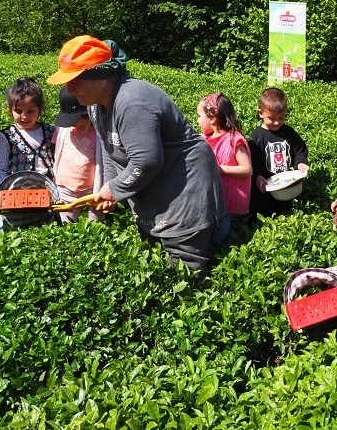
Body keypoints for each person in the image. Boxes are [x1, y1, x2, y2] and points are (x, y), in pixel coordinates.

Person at [46, 35, 225, 281]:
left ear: (101, 78)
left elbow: (146, 161)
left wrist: (115, 188)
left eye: (75, 81)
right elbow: (110, 149)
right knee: (156, 265)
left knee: (184, 274)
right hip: (155, 191)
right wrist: (110, 188)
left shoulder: (132, 102)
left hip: (184, 191)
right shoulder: (95, 104)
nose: (70, 90)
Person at [196, 92, 252, 242]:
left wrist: (219, 168)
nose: (197, 121)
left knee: (220, 237)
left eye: (199, 116)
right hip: (208, 198)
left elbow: (247, 169)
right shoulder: (204, 139)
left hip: (225, 199)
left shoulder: (234, 139)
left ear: (213, 118)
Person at [249, 87, 309, 217]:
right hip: (265, 187)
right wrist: (257, 176)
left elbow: (299, 149)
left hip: (286, 184)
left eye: (281, 118)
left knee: (288, 211)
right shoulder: (257, 137)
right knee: (265, 212)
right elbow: (252, 161)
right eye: (272, 118)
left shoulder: (288, 132)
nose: (277, 122)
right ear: (260, 113)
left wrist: (300, 162)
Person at [52, 86, 106, 223]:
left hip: (91, 191)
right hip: (66, 189)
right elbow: (56, 150)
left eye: (74, 119)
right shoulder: (63, 130)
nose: (70, 123)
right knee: (67, 226)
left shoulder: (99, 132)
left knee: (95, 226)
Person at [0, 77, 56, 185]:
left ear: (40, 108)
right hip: (18, 189)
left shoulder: (50, 131)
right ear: (10, 109)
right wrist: (6, 190)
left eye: (31, 111)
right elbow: (1, 169)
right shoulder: (7, 136)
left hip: (48, 188)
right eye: (18, 111)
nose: (24, 116)